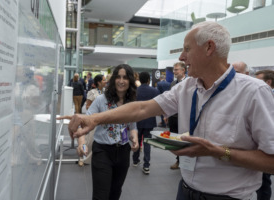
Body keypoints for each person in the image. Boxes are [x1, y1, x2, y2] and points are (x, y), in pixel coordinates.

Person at [61, 21, 274, 200]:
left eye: (187, 49)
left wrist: (217, 152)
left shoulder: (254, 92)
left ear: (209, 48)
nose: (181, 57)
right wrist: (95, 119)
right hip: (185, 191)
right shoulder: (188, 87)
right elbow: (142, 108)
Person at [60, 64, 139, 200]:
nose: (121, 81)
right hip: (103, 152)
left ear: (130, 81)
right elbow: (84, 123)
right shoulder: (101, 100)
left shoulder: (131, 102)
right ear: (113, 79)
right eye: (118, 77)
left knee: (115, 192)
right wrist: (82, 144)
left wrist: (135, 138)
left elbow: (132, 126)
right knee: (101, 195)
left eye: (125, 77)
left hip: (123, 152)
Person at [132, 71, 159, 175]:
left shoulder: (135, 91)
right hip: (149, 119)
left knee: (136, 140)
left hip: (137, 119)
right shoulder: (154, 91)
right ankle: (146, 165)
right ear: (148, 80)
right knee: (147, 142)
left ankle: (135, 160)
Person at [255, 69, 274, 200]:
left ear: (268, 82)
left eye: (258, 80)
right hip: (256, 143)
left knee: (264, 180)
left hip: (267, 146)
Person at [167, 61, 187, 170]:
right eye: (174, 70)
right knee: (175, 139)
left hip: (184, 117)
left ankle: (182, 161)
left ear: (183, 70)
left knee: (183, 139)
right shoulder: (172, 84)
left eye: (176, 70)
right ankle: (179, 160)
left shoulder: (189, 83)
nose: (174, 72)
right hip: (173, 116)